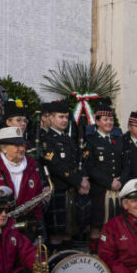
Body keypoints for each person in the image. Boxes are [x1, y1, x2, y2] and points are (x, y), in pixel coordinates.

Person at [0, 126, 45, 237]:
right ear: (4, 148)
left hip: (26, 230)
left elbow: (37, 198)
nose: (22, 149)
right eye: (16, 145)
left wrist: (35, 221)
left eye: (22, 145)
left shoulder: (31, 166)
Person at [42, 100, 89, 248]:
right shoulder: (47, 140)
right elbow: (57, 166)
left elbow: (78, 161)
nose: (64, 120)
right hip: (58, 190)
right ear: (51, 118)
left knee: (69, 232)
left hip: (72, 192)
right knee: (57, 235)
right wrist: (79, 181)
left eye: (66, 117)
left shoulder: (68, 139)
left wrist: (83, 178)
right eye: (60, 117)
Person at [84, 98, 125, 248]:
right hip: (99, 190)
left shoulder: (118, 139)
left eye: (111, 119)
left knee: (117, 227)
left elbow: (127, 163)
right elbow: (90, 167)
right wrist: (109, 182)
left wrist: (121, 181)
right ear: (97, 121)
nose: (109, 122)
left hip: (118, 190)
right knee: (97, 226)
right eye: (106, 119)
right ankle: (95, 256)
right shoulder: (91, 140)